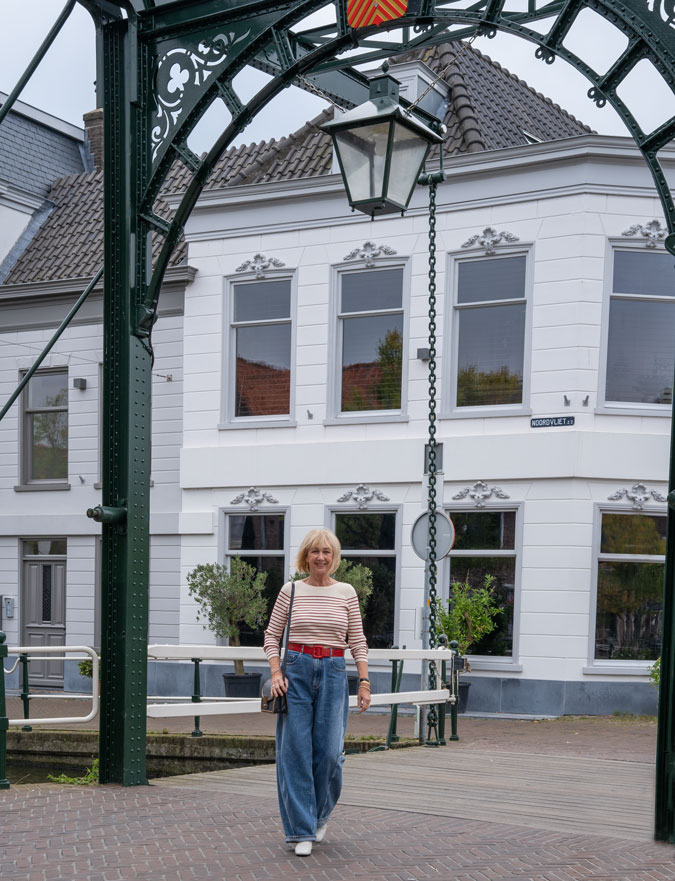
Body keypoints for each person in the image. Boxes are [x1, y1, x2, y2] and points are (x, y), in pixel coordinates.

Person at [263, 527, 370, 856]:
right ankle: (301, 831)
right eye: (314, 551)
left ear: (334, 557)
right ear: (305, 557)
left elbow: (358, 642)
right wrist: (277, 672)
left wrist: (364, 682)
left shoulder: (346, 592)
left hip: (335, 671)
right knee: (295, 753)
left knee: (329, 754)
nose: (320, 557)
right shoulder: (290, 590)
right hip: (295, 669)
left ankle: (320, 814)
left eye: (326, 551)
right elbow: (271, 637)